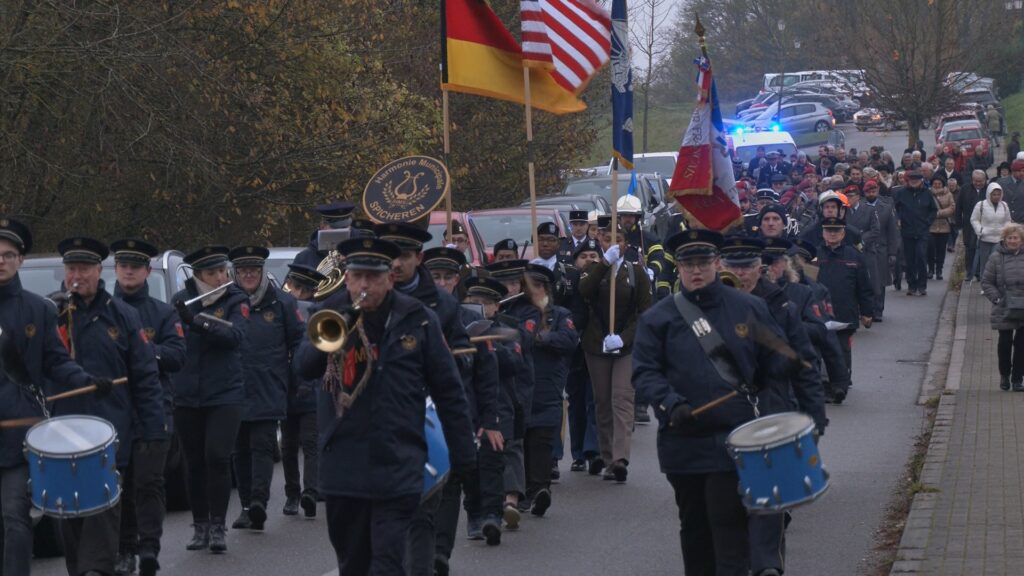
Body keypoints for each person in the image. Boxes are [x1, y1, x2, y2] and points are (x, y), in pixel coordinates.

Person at [295, 237, 477, 576]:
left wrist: (465, 457)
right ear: (347, 278)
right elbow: (304, 368)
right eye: (358, 276)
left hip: (398, 462)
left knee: (387, 564)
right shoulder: (328, 313)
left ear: (390, 278)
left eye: (374, 277)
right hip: (343, 466)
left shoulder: (419, 318)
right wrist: (337, 330)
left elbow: (449, 390)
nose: (365, 285)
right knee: (353, 564)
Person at [632, 229, 794, 576]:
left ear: (717, 263)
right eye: (688, 264)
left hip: (735, 437)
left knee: (727, 523)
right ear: (678, 268)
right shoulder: (658, 318)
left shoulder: (749, 307)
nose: (696, 271)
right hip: (683, 439)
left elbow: (775, 363)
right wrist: (669, 403)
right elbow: (645, 373)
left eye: (703, 262)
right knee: (694, 527)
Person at [51, 237, 165, 576]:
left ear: (99, 271)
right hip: (62, 431)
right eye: (72, 268)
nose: (77, 275)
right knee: (69, 513)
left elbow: (145, 377)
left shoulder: (123, 316)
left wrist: (152, 430)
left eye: (84, 269)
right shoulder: (50, 312)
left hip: (111, 430)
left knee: (103, 506)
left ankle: (96, 569)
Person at [0, 220, 107, 576]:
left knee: (15, 518)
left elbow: (57, 361)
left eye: (7, 255)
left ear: (21, 260)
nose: (0, 261)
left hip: (19, 434)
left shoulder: (39, 310)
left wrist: (88, 380)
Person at [423, 247, 503, 571]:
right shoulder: (409, 312)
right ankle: (424, 547)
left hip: (458, 410)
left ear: (457, 280)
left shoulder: (473, 319)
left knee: (451, 479)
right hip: (417, 410)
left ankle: (440, 552)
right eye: (435, 277)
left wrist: (489, 419)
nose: (441, 283)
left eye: (447, 277)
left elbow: (486, 374)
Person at [110, 239, 187, 576]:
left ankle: (149, 549)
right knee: (120, 485)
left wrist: (143, 352)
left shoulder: (163, 312)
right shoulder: (102, 311)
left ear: (146, 271)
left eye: (136, 266)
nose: (129, 270)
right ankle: (125, 549)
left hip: (155, 407)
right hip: (114, 409)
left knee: (149, 482)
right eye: (123, 264)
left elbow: (177, 356)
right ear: (114, 269)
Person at [172, 246, 250, 553]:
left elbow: (235, 338)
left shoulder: (236, 298)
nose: (219, 277)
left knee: (217, 456)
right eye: (211, 273)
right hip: (188, 393)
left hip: (225, 392)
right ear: (198, 276)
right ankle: (200, 525)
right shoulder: (180, 300)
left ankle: (218, 526)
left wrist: (196, 321)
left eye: (222, 271)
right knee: (193, 462)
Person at [229, 246, 304, 532]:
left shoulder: (282, 302)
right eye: (243, 270)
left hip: (269, 385)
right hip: (233, 387)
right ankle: (246, 505)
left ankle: (258, 502)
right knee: (238, 449)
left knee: (261, 445)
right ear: (236, 273)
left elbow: (298, 341)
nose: (248, 275)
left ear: (262, 272)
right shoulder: (228, 301)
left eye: (253, 270)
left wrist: (296, 376)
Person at [578, 221, 651, 482]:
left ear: (625, 243)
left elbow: (644, 311)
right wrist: (603, 264)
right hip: (596, 342)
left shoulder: (635, 272)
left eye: (617, 239)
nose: (613, 244)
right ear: (600, 241)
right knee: (603, 401)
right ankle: (607, 457)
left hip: (625, 345)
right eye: (607, 239)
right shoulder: (591, 269)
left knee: (622, 398)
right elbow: (584, 291)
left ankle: (620, 458)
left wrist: (623, 337)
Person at [520, 263, 577, 513]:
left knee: (542, 441)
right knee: (522, 441)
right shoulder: (517, 312)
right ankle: (522, 491)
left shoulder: (560, 315)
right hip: (520, 387)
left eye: (540, 285)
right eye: (532, 285)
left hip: (548, 386)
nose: (536, 290)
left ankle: (541, 489)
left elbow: (569, 340)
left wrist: (544, 338)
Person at [280, 263, 326, 518]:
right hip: (286, 387)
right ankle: (291, 493)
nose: (295, 293)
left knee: (310, 442)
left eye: (300, 289)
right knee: (288, 445)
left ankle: (310, 491)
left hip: (310, 388)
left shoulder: (317, 313)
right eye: (293, 287)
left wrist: (308, 385)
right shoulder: (284, 311)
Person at [815, 219, 874, 397]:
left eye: (836, 231)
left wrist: (867, 312)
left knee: (841, 350)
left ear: (843, 233)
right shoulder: (814, 256)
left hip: (844, 311)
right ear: (823, 233)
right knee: (822, 349)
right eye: (829, 230)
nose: (832, 234)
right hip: (820, 313)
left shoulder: (854, 256)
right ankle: (825, 385)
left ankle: (840, 384)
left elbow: (864, 286)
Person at [563, 239, 601, 472]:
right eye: (584, 256)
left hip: (598, 348)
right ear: (575, 261)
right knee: (576, 401)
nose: (589, 260)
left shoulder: (606, 280)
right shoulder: (568, 284)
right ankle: (578, 453)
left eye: (593, 256)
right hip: (574, 350)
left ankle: (593, 450)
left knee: (594, 399)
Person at [982, 224, 1024, 391]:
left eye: (1016, 238)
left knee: (1022, 345)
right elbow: (986, 281)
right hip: (1004, 306)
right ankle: (1004, 375)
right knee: (1005, 343)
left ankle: (1017, 379)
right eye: (1010, 238)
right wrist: (996, 298)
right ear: (1005, 240)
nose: (1013, 241)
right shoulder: (996, 257)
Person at [894, 170, 938, 296]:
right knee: (909, 260)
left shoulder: (927, 193)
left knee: (920, 256)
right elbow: (895, 209)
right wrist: (898, 219)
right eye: (912, 180)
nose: (914, 182)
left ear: (921, 181)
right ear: (908, 181)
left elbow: (933, 210)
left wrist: (927, 222)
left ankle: (922, 285)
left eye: (916, 180)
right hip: (907, 231)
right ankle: (911, 285)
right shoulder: (901, 193)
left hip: (922, 231)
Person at [863, 180, 901, 321]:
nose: (871, 194)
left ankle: (878, 309)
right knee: (866, 280)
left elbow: (892, 232)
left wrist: (892, 252)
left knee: (879, 281)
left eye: (874, 191)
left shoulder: (886, 207)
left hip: (881, 249)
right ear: (864, 192)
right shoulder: (860, 206)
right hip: (864, 249)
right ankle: (867, 309)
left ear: (878, 191)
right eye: (868, 192)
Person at [971, 182, 1013, 282]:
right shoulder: (980, 205)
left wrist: (1005, 232)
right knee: (985, 263)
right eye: (994, 194)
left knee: (997, 263)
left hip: (999, 239)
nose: (996, 197)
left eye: (999, 194)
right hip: (985, 238)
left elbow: (1008, 220)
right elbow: (974, 219)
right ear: (989, 194)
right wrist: (980, 230)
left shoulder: (1004, 205)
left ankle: (996, 283)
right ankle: (985, 284)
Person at [294, 201, 355, 268]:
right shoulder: (304, 258)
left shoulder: (360, 252)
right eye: (336, 228)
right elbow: (291, 278)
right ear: (322, 227)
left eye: (345, 227)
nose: (342, 231)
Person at [958, 170, 986, 281]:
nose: (978, 183)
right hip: (968, 225)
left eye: (980, 181)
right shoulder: (965, 189)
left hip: (984, 224)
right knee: (970, 248)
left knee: (982, 248)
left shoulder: (989, 189)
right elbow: (959, 207)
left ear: (984, 180)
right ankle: (969, 272)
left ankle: (980, 272)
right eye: (976, 181)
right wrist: (958, 223)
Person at [927, 176, 956, 281]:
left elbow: (952, 208)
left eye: (939, 183)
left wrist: (938, 213)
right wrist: (932, 215)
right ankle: (930, 269)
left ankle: (939, 270)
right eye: (935, 183)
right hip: (931, 226)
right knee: (930, 249)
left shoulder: (948, 194)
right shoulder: (928, 194)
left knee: (941, 250)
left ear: (943, 184)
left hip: (944, 226)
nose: (937, 185)